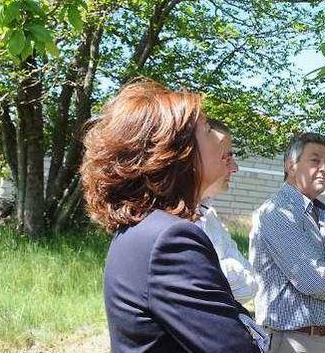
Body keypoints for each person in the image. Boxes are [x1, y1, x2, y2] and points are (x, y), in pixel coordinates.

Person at [80, 80, 262, 353]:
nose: (219, 136)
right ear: (176, 152)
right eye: (206, 128)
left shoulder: (145, 227)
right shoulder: (171, 239)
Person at [249, 132, 325, 353]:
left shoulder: (322, 215)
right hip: (293, 341)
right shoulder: (277, 212)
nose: (324, 168)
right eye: (315, 160)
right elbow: (315, 282)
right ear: (290, 166)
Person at [195, 120, 258, 304]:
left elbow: (250, 287)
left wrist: (216, 269)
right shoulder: (170, 224)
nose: (235, 168)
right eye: (226, 157)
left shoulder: (210, 216)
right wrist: (228, 267)